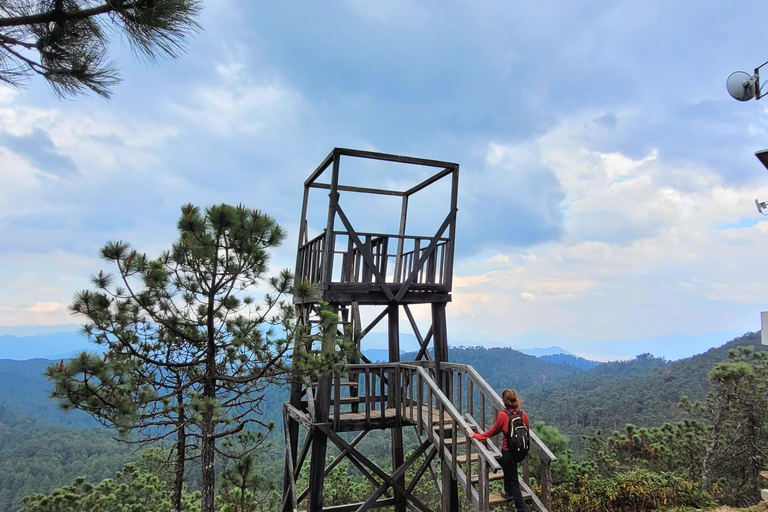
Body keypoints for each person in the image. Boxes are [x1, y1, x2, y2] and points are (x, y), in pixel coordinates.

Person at [472, 389, 529, 511]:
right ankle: (508, 491)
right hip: (519, 451)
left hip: (508, 451)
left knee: (513, 480)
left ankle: (522, 508)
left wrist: (476, 436)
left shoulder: (504, 415)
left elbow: (492, 431)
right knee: (507, 467)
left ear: (504, 401)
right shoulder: (522, 413)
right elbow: (526, 433)